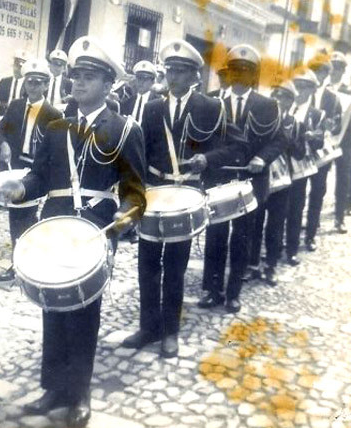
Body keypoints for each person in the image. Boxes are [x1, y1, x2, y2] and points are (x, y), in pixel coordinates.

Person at [0, 36, 146, 428]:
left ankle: (78, 395)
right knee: (52, 307)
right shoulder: (57, 125)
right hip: (56, 224)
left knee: (84, 313)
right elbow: (40, 175)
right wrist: (22, 188)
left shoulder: (126, 129)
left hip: (95, 231)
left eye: (89, 77)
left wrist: (127, 219)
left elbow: (135, 191)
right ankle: (52, 389)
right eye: (76, 76)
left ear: (108, 85)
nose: (78, 84)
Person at [121, 40, 246, 356]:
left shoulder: (211, 107)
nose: (172, 77)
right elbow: (140, 152)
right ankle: (148, 327)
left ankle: (170, 332)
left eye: (180, 72)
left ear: (194, 77)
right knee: (147, 263)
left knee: (175, 266)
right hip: (155, 193)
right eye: (169, 71)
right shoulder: (152, 108)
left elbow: (238, 146)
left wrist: (209, 159)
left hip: (187, 195)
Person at [198, 44, 285, 313]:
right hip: (218, 180)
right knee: (215, 235)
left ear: (253, 76)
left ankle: (234, 292)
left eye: (245, 71)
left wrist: (262, 158)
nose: (239, 75)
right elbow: (200, 139)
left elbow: (281, 139)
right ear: (228, 72)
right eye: (234, 69)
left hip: (251, 181)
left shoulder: (268, 105)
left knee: (242, 238)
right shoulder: (212, 102)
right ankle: (212, 290)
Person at [0, 59, 62, 283]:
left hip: (36, 171)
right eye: (29, 82)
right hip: (15, 168)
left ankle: (29, 262)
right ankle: (19, 263)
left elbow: (56, 150)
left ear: (45, 86)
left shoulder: (53, 114)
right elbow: (0, 129)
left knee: (30, 217)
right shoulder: (15, 106)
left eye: (38, 83)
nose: (32, 87)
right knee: (16, 216)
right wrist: (2, 143)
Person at [248, 80, 302, 286]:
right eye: (276, 95)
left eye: (285, 97)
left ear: (291, 101)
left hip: (282, 182)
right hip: (261, 177)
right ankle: (252, 265)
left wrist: (294, 138)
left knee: (276, 225)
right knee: (255, 222)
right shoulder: (263, 119)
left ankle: (271, 266)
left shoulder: (295, 123)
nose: (279, 100)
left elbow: (299, 154)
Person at [285, 69, 325, 266]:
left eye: (303, 86)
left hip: (300, 166)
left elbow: (320, 141)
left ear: (311, 90)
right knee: (278, 209)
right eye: (296, 85)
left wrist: (312, 137)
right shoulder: (284, 106)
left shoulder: (316, 114)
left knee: (296, 207)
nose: (298, 90)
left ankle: (292, 248)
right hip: (281, 165)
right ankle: (273, 248)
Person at [306, 54, 342, 247]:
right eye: (316, 72)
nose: (319, 77)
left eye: (323, 73)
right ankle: (290, 234)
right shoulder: (302, 92)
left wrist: (330, 126)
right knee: (296, 194)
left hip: (321, 153)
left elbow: (337, 124)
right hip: (302, 151)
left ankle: (310, 234)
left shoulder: (333, 98)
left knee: (318, 192)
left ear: (327, 75)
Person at [0, 49, 29, 171]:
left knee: (16, 157)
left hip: (19, 126)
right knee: (2, 156)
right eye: (16, 65)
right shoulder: (4, 82)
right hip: (2, 124)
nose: (17, 69)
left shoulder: (28, 85)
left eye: (20, 67)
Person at [330, 52, 351, 234]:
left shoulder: (348, 90)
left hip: (345, 141)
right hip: (326, 140)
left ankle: (339, 218)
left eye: (338, 68)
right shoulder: (323, 89)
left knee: (343, 180)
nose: (335, 71)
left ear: (343, 71)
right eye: (333, 68)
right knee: (318, 180)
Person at [120, 60, 158, 124]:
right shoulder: (128, 102)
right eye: (139, 78)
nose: (141, 82)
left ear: (152, 82)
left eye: (145, 79)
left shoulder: (157, 103)